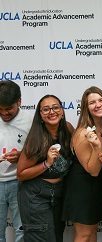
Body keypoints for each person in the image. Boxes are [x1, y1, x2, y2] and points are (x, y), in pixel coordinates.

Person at [17, 94, 74, 242]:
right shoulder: (36, 139)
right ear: (40, 115)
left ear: (62, 110)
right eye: (46, 109)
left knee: (56, 237)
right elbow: (21, 174)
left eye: (56, 107)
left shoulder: (68, 129)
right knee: (42, 238)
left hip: (60, 193)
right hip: (36, 194)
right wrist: (46, 163)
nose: (52, 112)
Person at [62, 86, 102, 242]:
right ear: (85, 108)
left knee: (92, 232)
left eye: (101, 100)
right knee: (83, 235)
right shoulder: (82, 133)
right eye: (92, 102)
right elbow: (93, 170)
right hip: (82, 188)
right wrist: (97, 148)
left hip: (97, 186)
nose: (98, 105)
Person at [0, 81, 31, 242]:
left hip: (20, 182)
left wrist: (22, 156)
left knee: (22, 231)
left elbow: (38, 151)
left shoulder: (31, 120)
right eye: (0, 110)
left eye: (8, 109)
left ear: (19, 101)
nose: (4, 114)